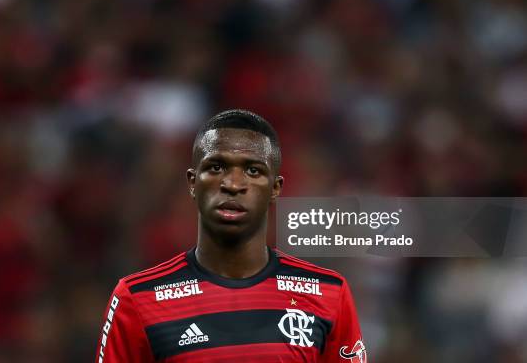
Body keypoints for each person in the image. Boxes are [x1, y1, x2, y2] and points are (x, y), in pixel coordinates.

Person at [95, 109, 366, 362]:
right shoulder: (137, 299)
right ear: (192, 182)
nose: (233, 184)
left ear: (275, 188)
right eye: (216, 167)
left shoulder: (329, 294)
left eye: (253, 171)